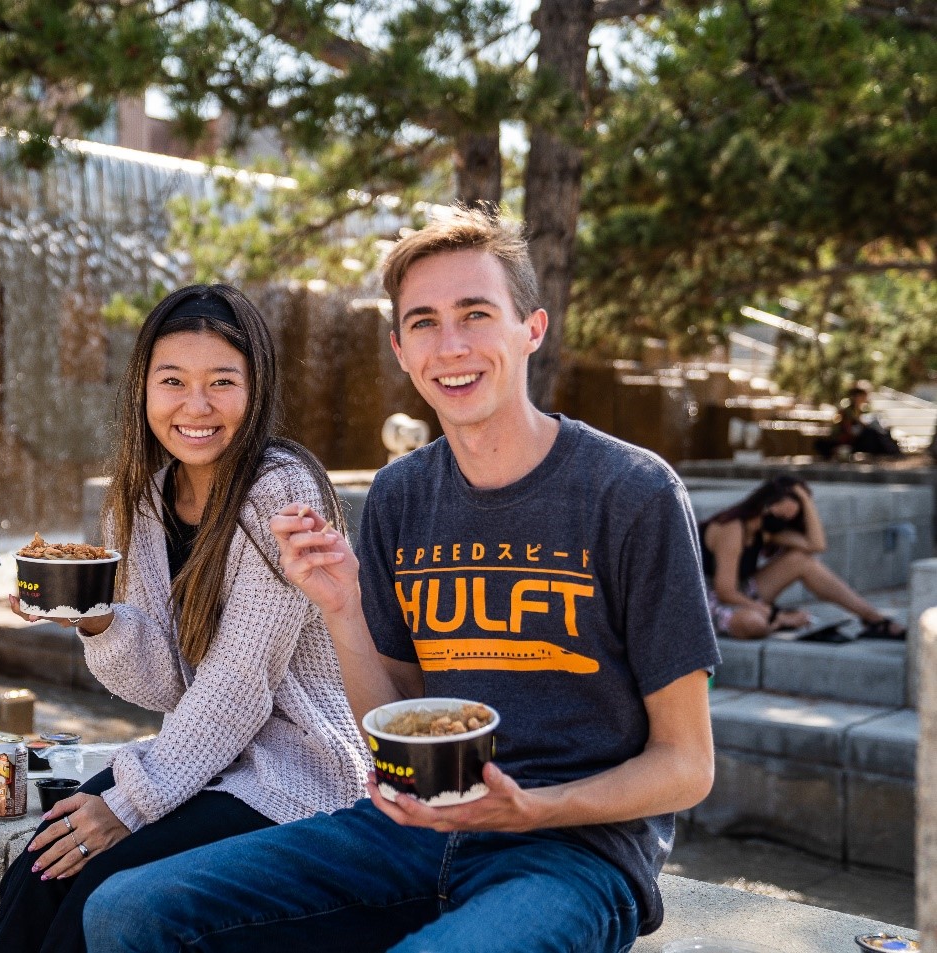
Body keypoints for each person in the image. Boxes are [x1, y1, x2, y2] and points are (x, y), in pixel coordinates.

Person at [81, 206, 721, 953]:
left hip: (570, 854)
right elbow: (391, 722)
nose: (450, 345)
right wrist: (343, 609)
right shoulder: (400, 494)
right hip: (405, 830)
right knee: (125, 911)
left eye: (475, 314)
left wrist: (532, 809)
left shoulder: (633, 492)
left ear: (532, 328)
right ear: (400, 348)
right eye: (423, 322)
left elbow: (687, 765)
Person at [0, 284, 369, 953]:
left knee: (93, 891)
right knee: (36, 869)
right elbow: (168, 686)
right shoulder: (137, 503)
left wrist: (128, 805)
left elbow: (240, 682)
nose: (196, 405)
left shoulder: (281, 489)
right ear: (142, 387)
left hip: (294, 771)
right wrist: (97, 618)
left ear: (256, 388)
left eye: (222, 381)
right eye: (173, 381)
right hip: (208, 760)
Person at [700, 474, 906, 640]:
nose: (784, 522)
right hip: (706, 600)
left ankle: (874, 619)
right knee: (754, 624)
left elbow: (816, 545)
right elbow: (725, 592)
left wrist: (806, 500)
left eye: (789, 520)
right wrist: (774, 614)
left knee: (800, 560)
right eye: (781, 516)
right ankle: (780, 621)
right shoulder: (731, 529)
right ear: (766, 504)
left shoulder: (764, 531)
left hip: (741, 591)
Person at [816, 385, 902, 459]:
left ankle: (892, 451)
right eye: (864, 396)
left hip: (858, 437)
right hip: (849, 440)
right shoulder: (846, 410)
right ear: (857, 396)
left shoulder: (863, 410)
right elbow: (846, 429)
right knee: (872, 433)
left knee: (883, 432)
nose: (866, 398)